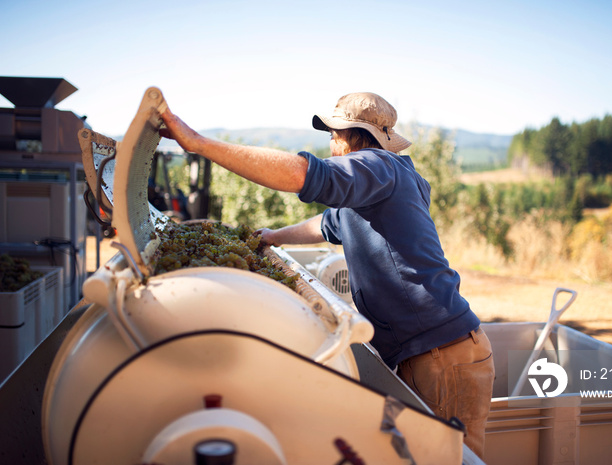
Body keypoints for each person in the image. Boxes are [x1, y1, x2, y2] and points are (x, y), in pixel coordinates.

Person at [159, 92, 495, 458]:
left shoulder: (378, 166)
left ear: (353, 135)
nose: (332, 144)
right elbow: (328, 223)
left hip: (444, 356)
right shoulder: (379, 184)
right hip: (427, 353)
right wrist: (273, 237)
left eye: (334, 135)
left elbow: (303, 174)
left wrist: (197, 143)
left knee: (447, 458)